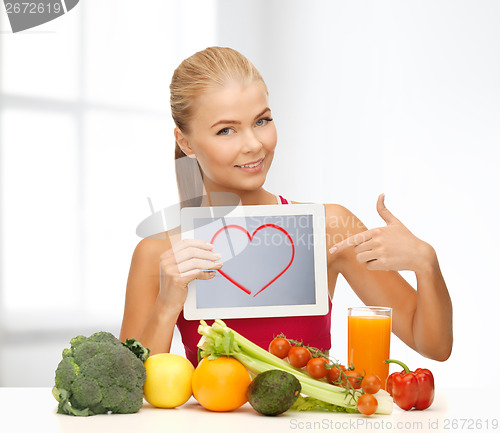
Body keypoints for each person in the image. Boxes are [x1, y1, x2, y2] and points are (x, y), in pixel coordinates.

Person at [119, 46, 453, 366]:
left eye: (261, 121)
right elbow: (125, 388)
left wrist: (426, 262)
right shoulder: (159, 254)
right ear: (185, 142)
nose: (253, 144)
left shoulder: (329, 227)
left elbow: (434, 346)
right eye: (226, 130)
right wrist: (166, 305)